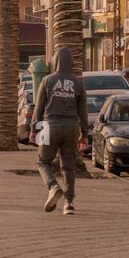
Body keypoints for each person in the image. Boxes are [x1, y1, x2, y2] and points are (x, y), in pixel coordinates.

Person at [31, 46, 87, 214]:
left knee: (43, 161)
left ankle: (53, 186)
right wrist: (84, 133)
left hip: (49, 126)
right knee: (68, 166)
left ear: (55, 61)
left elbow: (39, 107)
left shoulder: (47, 80)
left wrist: (34, 128)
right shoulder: (78, 83)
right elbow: (83, 111)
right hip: (71, 127)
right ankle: (68, 203)